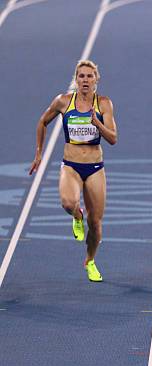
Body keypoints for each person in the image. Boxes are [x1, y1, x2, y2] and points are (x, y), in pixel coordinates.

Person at [30, 60, 118, 282]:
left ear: (96, 80)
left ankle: (90, 261)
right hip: (71, 165)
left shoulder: (104, 104)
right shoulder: (63, 102)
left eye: (90, 76)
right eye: (81, 76)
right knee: (68, 203)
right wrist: (39, 153)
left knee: (96, 224)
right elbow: (42, 122)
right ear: (76, 79)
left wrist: (98, 125)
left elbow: (113, 139)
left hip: (95, 167)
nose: (85, 80)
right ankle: (77, 215)